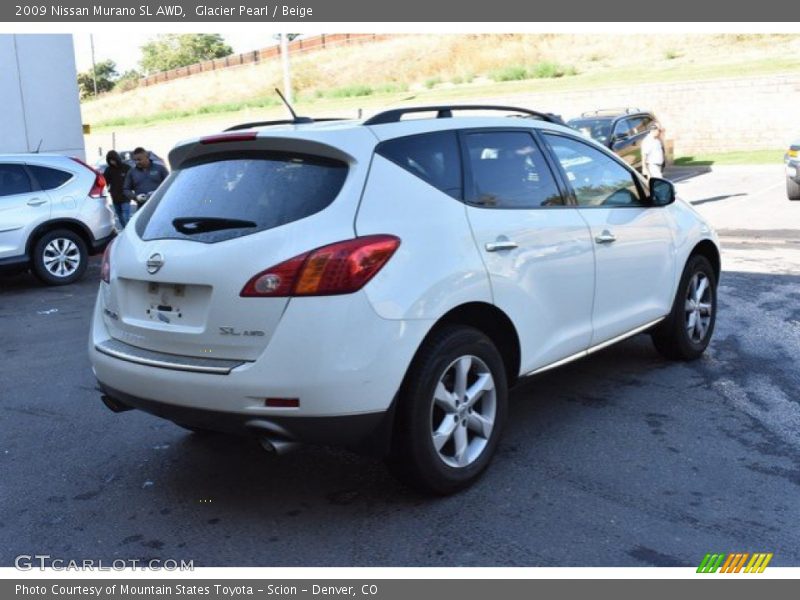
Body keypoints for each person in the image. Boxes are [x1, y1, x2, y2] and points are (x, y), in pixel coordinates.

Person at [103, 150, 131, 228]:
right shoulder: (108, 170)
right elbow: (105, 182)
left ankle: (128, 230)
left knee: (126, 216)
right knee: (120, 216)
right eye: (110, 160)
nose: (112, 162)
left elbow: (133, 180)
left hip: (125, 197)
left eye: (113, 160)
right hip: (115, 197)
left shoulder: (126, 168)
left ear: (117, 158)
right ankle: (125, 229)